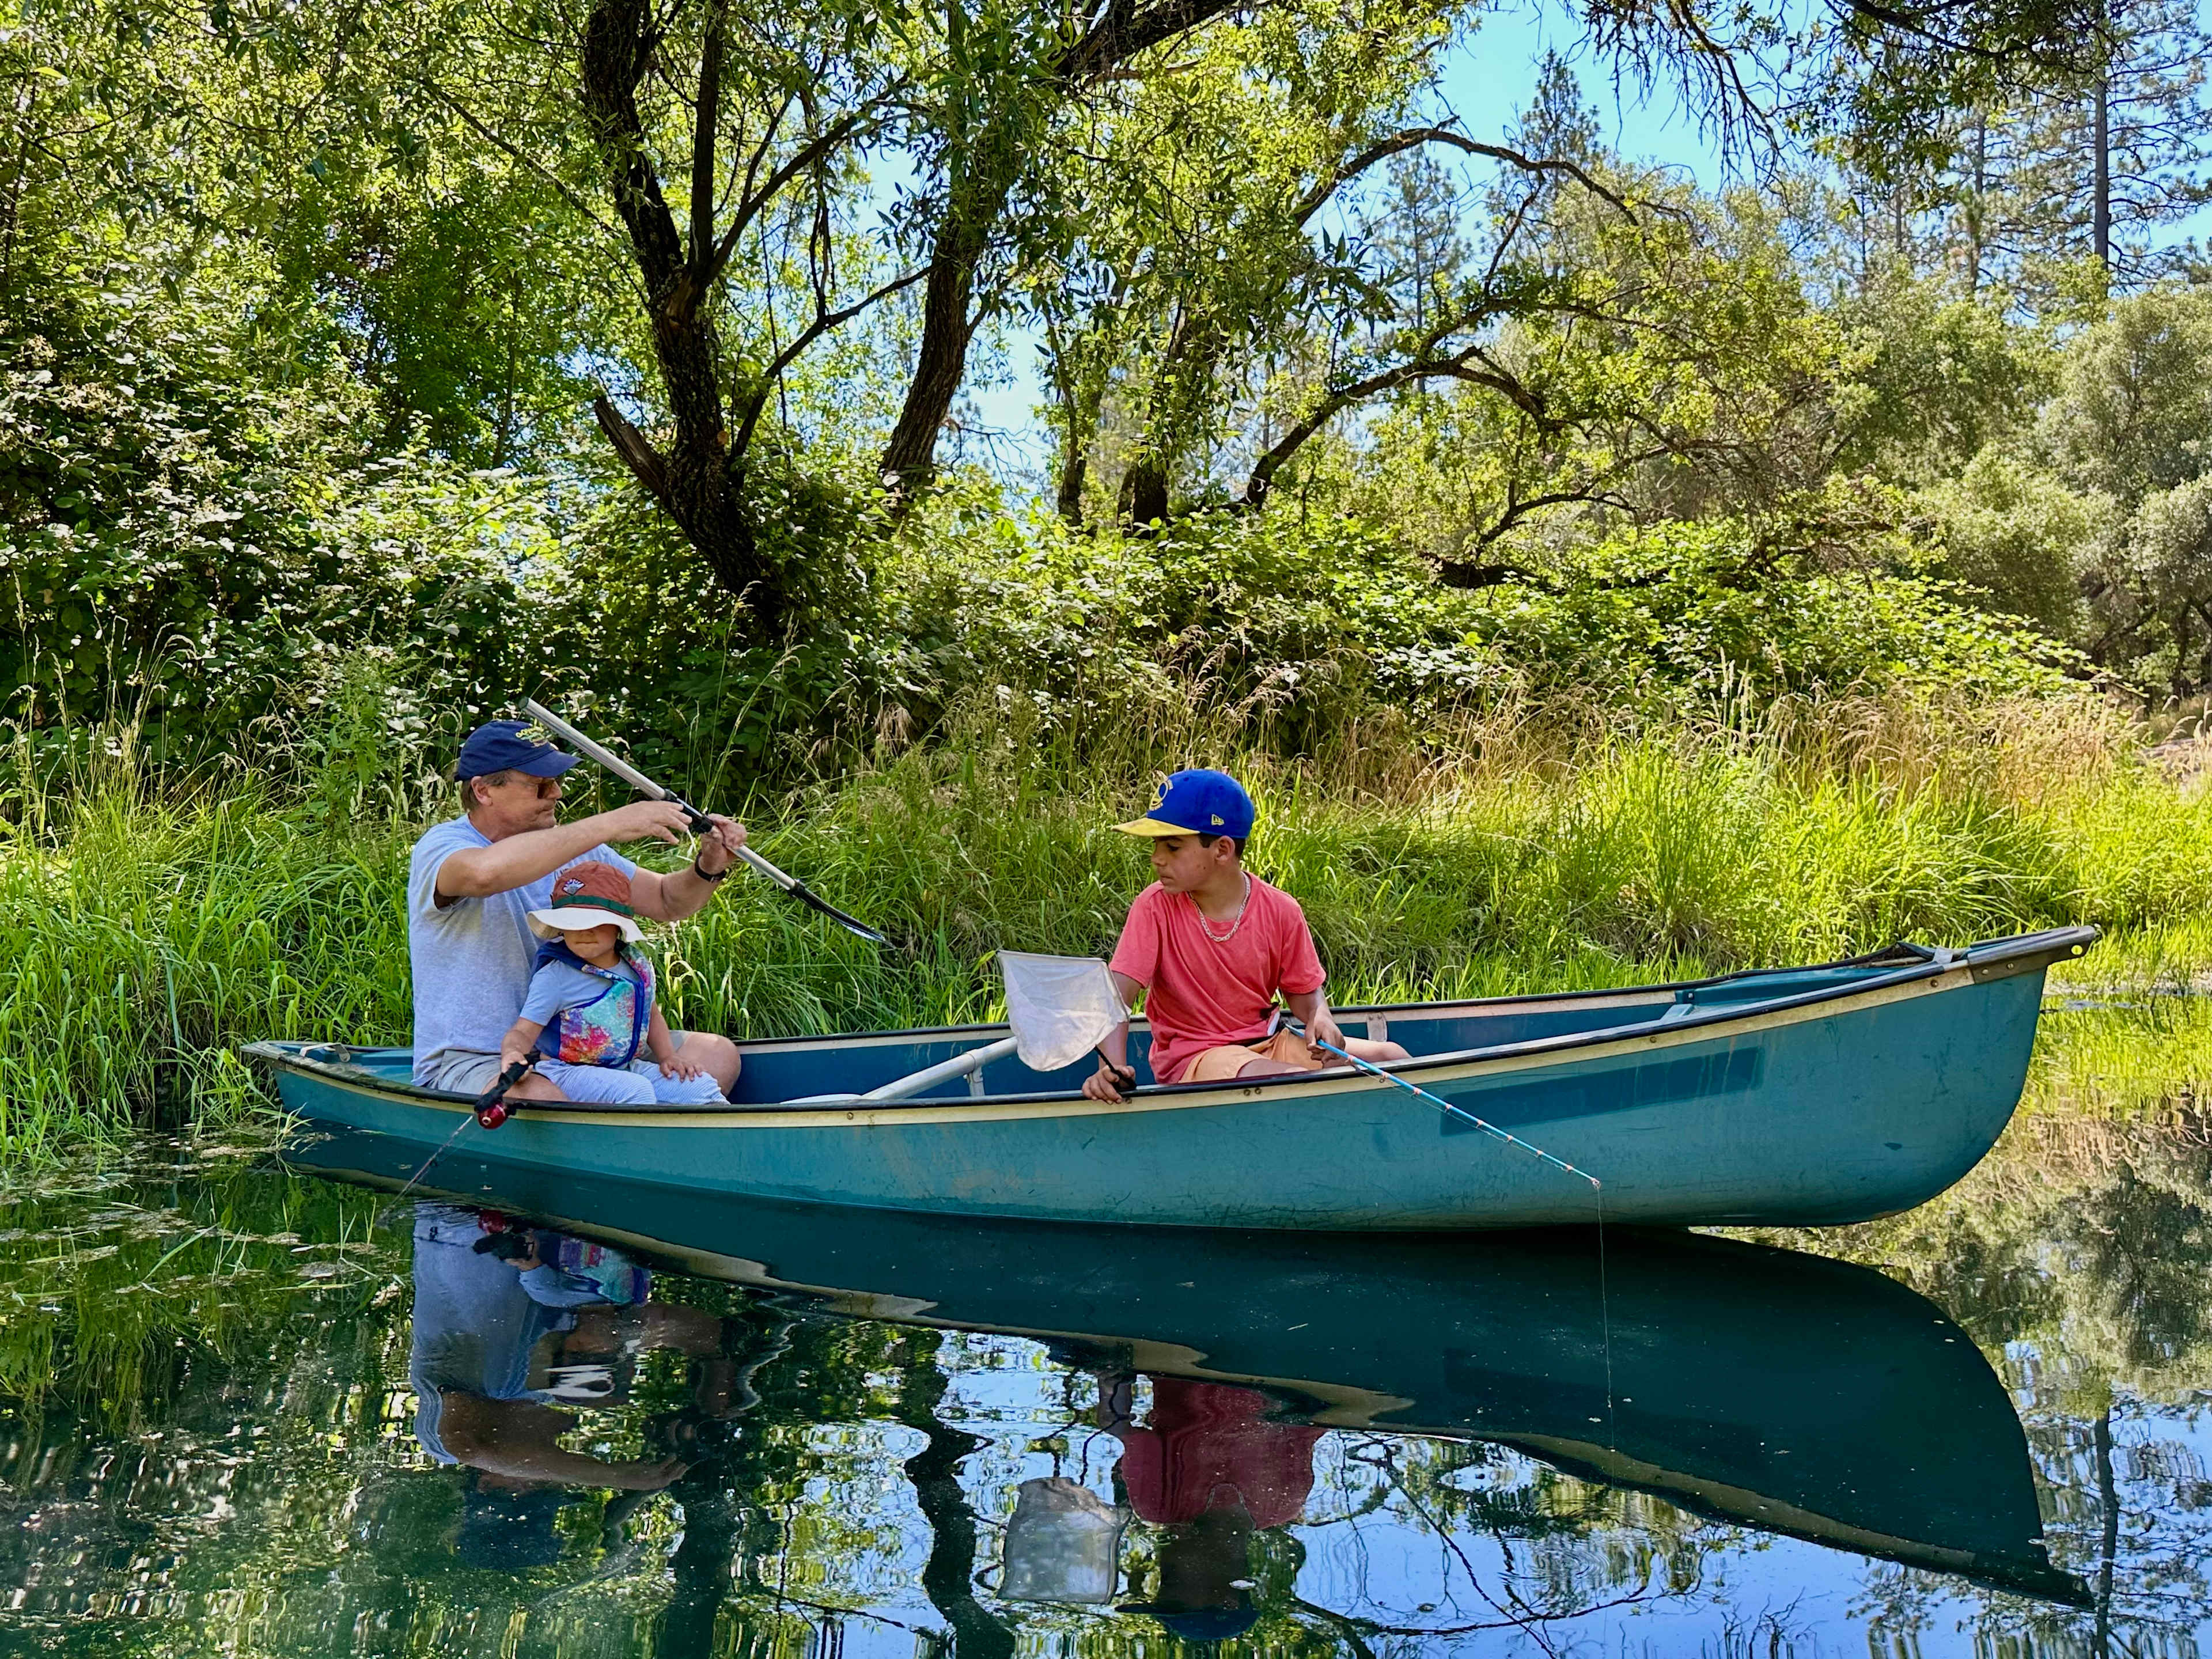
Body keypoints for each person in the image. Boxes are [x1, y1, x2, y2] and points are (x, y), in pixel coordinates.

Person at [408, 717, 747, 1104]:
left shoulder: (576, 847)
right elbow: (484, 874)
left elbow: (667, 901)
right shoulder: (443, 845)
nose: (556, 793)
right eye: (540, 784)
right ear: (484, 790)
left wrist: (709, 865)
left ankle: (644, 1140)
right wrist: (610, 824)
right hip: (480, 1055)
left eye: (557, 781)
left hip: (585, 1040)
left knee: (717, 1056)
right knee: (543, 1100)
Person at [1081, 769, 1408, 1101]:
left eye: (1173, 846)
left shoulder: (1281, 909)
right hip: (1198, 1058)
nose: (1157, 858)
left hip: (1269, 1044)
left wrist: (1320, 1016)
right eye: (1156, 845)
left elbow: (1304, 993)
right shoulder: (1155, 907)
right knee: (1294, 1084)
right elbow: (1116, 997)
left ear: (1222, 850)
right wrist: (1112, 1067)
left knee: (1391, 1057)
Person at [1097, 1373, 1325, 1641]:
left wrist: (1111, 1389)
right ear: (1228, 1597)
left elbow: (1124, 1429)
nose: (1162, 1563)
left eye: (1162, 1577)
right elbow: (1310, 1420)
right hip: (1273, 1368)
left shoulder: (1158, 1505)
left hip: (1183, 1358)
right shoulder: (1283, 1503)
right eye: (1174, 1579)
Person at [496, 861, 726, 1106]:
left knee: (701, 1087)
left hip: (624, 1067)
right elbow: (523, 1031)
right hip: (566, 1072)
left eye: (595, 921)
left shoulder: (636, 966)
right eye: (572, 922)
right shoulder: (555, 977)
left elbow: (650, 1012)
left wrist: (668, 1056)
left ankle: (721, 1136)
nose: (584, 931)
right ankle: (643, 1144)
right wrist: (513, 1053)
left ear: (618, 926)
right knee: (636, 1092)